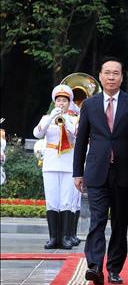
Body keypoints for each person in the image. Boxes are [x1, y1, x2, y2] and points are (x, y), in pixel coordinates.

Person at [73, 57, 128, 285]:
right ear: (100, 75)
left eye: (115, 73)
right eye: (107, 72)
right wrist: (78, 172)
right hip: (96, 171)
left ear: (122, 77)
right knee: (97, 219)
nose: (111, 77)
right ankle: (95, 265)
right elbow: (81, 141)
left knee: (119, 222)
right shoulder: (90, 104)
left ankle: (114, 268)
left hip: (125, 171)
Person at [33, 85, 78, 249]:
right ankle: (53, 238)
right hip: (51, 163)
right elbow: (37, 134)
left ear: (69, 103)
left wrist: (66, 122)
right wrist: (50, 118)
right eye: (58, 100)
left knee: (66, 201)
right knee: (52, 201)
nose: (61, 103)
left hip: (68, 164)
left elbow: (78, 135)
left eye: (64, 101)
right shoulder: (47, 118)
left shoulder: (73, 119)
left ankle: (65, 237)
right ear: (54, 102)